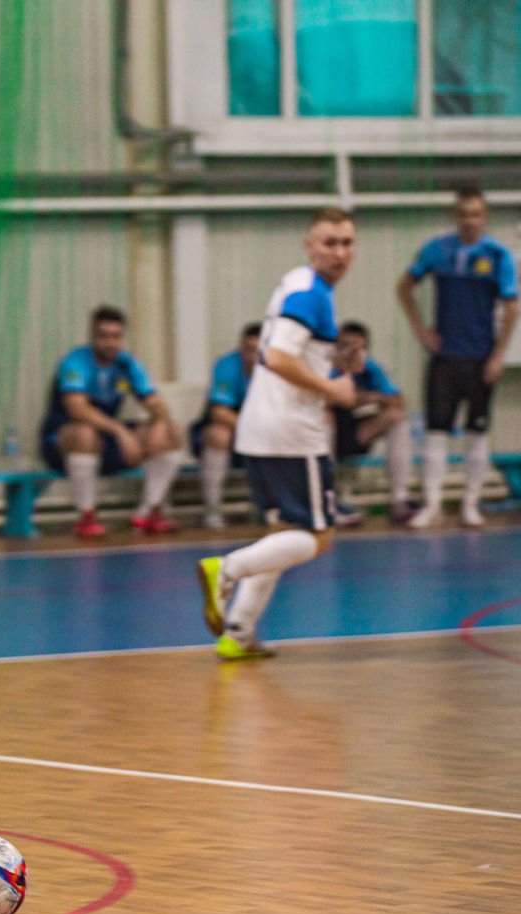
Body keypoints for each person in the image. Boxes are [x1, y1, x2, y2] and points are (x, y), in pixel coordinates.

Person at [197, 208, 359, 661]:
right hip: (292, 433)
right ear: (309, 245)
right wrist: (333, 389)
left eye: (347, 243)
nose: (339, 252)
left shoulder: (297, 284)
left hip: (260, 428)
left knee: (282, 534)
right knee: (319, 537)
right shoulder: (312, 294)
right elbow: (278, 358)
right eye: (329, 242)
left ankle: (239, 630)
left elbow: (292, 351)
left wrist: (337, 363)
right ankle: (227, 569)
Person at [396, 185, 520, 528]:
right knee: (436, 431)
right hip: (445, 358)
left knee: (477, 432)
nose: (470, 221)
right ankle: (433, 504)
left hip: (480, 357)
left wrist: (498, 355)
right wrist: (421, 329)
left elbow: (511, 307)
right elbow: (404, 287)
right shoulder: (436, 250)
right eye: (464, 214)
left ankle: (470, 504)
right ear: (455, 216)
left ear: (485, 216)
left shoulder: (498, 256)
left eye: (476, 214)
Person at [40, 306, 184, 538]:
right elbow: (77, 409)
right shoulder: (75, 362)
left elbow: (156, 403)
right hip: (64, 441)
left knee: (172, 432)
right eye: (104, 336)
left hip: (107, 439)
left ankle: (148, 511)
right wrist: (120, 432)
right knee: (85, 433)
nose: (110, 343)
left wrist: (159, 423)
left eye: (116, 337)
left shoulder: (127, 364)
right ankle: (86, 516)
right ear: (92, 336)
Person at [329, 320, 412, 526]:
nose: (352, 353)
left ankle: (399, 500)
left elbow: (398, 400)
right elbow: (326, 400)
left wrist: (375, 398)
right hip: (325, 438)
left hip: (354, 435)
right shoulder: (327, 369)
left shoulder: (371, 368)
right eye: (346, 346)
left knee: (397, 417)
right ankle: (328, 502)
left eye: (358, 348)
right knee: (325, 419)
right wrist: (359, 398)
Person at [191, 322, 261, 529]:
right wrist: (252, 429)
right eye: (248, 350)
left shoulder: (278, 368)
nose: (252, 357)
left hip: (259, 432)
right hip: (230, 431)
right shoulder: (226, 365)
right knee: (219, 435)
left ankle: (269, 506)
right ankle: (213, 509)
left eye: (258, 351)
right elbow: (219, 411)